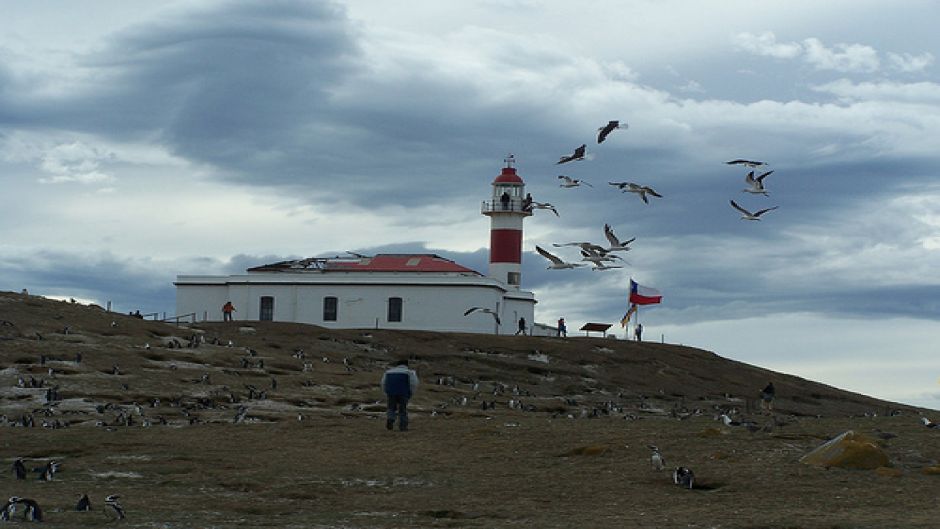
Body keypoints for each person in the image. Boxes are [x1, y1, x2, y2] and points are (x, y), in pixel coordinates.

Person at [381, 359, 419, 431]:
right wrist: (411, 393)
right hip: (403, 392)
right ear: (407, 365)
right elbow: (413, 384)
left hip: (391, 392)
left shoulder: (388, 372)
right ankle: (403, 426)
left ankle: (390, 418)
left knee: (391, 407)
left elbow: (383, 383)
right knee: (402, 409)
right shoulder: (409, 372)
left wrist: (386, 392)